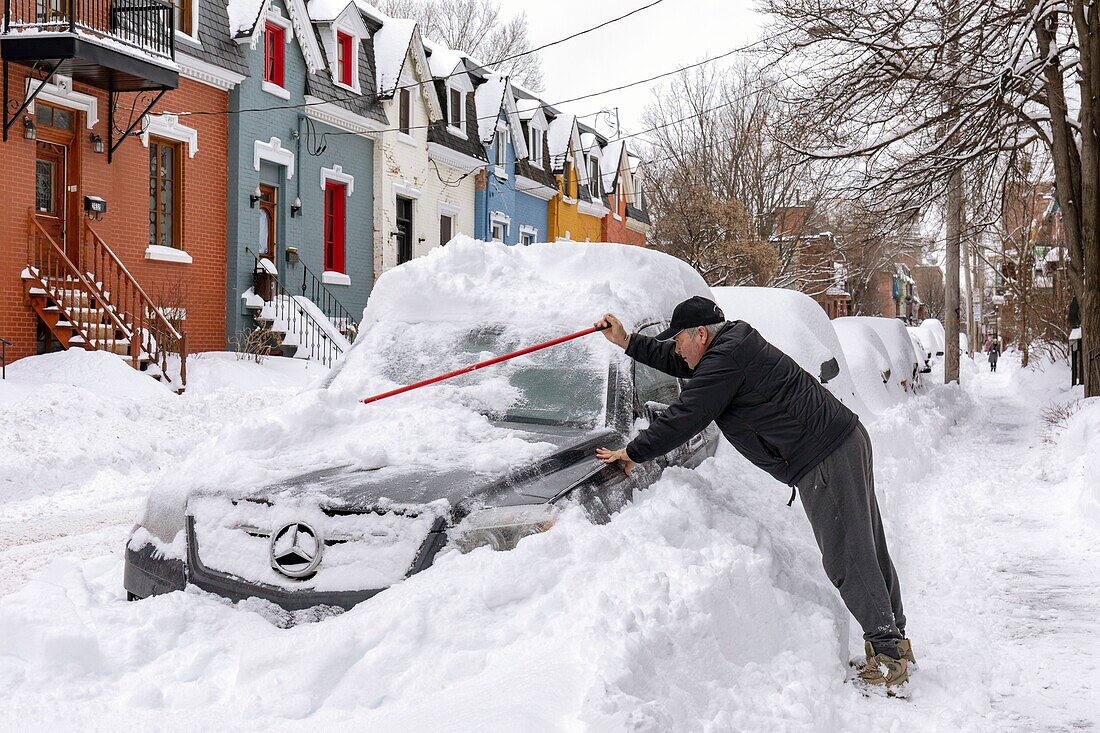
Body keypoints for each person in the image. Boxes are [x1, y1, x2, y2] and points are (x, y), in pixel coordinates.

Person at [594, 296, 912, 690]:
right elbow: (681, 361)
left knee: (849, 555)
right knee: (867, 546)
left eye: (679, 339)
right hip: (842, 441)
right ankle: (894, 643)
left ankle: (887, 657)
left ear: (699, 334)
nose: (675, 348)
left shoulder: (724, 361)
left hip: (826, 457)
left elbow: (686, 416)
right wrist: (627, 342)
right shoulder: (729, 345)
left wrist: (633, 451)